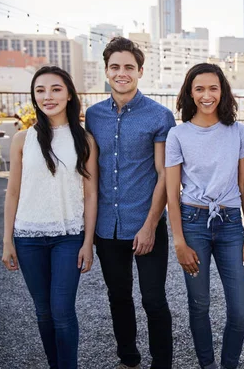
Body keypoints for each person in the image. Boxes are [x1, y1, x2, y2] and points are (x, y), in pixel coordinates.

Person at [85, 37, 176, 369]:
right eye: (115, 67)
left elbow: (164, 175)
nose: (121, 73)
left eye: (128, 67)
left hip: (146, 222)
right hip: (107, 228)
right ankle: (128, 358)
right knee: (118, 297)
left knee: (153, 300)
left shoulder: (159, 116)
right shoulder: (93, 116)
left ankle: (162, 363)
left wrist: (150, 225)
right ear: (106, 70)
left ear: (139, 71)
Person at [1, 66, 98, 369]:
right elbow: (13, 192)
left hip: (68, 237)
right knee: (43, 312)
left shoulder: (84, 140)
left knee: (62, 311)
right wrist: (7, 241)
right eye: (40, 90)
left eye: (56, 89)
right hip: (27, 237)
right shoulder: (22, 139)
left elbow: (91, 194)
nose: (48, 96)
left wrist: (88, 242)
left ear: (69, 94)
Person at [165, 63, 244, 369]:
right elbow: (172, 193)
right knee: (199, 304)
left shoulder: (239, 132)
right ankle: (208, 365)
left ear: (222, 91)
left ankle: (229, 364)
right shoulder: (177, 135)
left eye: (213, 88)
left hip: (231, 226)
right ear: (190, 93)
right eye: (199, 89)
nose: (207, 95)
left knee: (241, 309)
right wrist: (178, 241)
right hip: (193, 224)